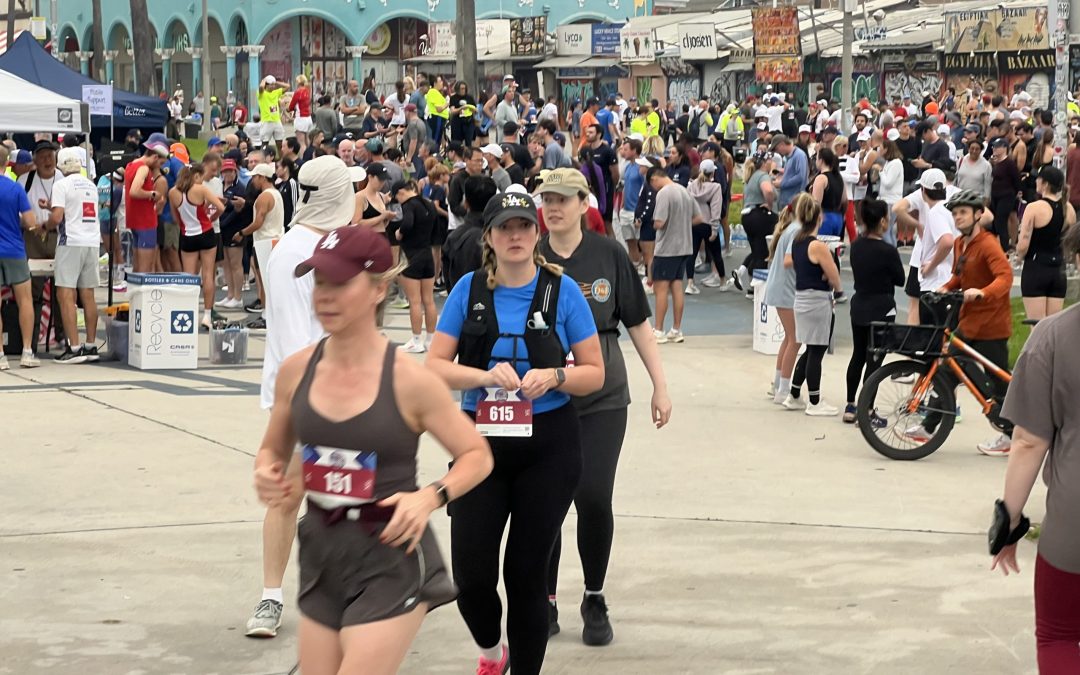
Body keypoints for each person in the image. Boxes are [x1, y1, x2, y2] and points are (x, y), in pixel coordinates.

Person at [253, 223, 493, 673]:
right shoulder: (295, 371)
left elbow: (477, 455)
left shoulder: (410, 380)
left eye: (340, 283)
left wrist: (429, 497)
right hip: (323, 555)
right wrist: (267, 473)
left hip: (390, 556)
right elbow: (272, 452)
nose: (324, 296)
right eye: (319, 282)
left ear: (379, 290)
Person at [426, 191, 604, 675]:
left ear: (537, 232)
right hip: (478, 445)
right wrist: (484, 376)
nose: (515, 235)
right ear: (488, 237)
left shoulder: (561, 291)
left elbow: (595, 372)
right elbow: (435, 366)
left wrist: (556, 376)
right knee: (471, 577)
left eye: (524, 225)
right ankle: (492, 650)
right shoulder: (468, 290)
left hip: (548, 445)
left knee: (525, 573)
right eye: (505, 227)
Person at [536, 167, 671, 645]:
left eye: (563, 199)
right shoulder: (530, 255)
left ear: (583, 204)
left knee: (593, 495)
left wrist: (659, 385)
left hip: (603, 397)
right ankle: (544, 598)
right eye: (548, 200)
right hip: (544, 399)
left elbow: (637, 324)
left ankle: (594, 596)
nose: (554, 208)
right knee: (545, 501)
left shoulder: (609, 254)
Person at [246, 156, 356, 638]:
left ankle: (344, 593)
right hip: (304, 396)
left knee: (343, 498)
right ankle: (271, 597)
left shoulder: (326, 244)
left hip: (339, 389)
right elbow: (295, 340)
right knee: (289, 495)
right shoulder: (296, 252)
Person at [990, 220, 1080, 673]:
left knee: (1060, 635)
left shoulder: (1053, 337)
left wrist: (1008, 523)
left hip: (1073, 526)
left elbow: (1027, 442)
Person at [908, 189, 1013, 455]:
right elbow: (959, 276)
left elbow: (1005, 277)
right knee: (946, 371)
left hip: (991, 325)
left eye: (964, 212)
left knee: (998, 382)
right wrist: (945, 287)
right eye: (955, 213)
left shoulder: (988, 244)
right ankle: (929, 427)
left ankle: (1011, 434)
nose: (958, 217)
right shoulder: (959, 243)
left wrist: (983, 292)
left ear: (978, 215)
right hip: (968, 322)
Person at [777, 194, 843, 416]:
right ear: (819, 218)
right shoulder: (817, 246)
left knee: (809, 348)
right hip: (817, 300)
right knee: (817, 351)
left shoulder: (797, 241)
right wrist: (838, 288)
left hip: (801, 298)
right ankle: (814, 401)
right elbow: (833, 274)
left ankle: (794, 394)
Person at [842, 198, 905, 423]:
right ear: (882, 221)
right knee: (875, 360)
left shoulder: (856, 246)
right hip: (881, 308)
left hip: (860, 304)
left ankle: (850, 404)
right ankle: (867, 409)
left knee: (857, 355)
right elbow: (900, 279)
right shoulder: (888, 251)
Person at [46, 148, 101, 363]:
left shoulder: (61, 185)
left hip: (70, 242)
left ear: (60, 166)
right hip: (92, 242)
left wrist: (45, 225)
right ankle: (91, 345)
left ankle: (74, 347)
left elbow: (57, 217)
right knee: (88, 295)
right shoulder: (91, 185)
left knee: (65, 294)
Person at [763, 194, 811, 403]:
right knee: (795, 339)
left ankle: (778, 385)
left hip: (781, 287)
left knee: (790, 338)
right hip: (786, 289)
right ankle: (783, 389)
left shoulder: (791, 228)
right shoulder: (798, 231)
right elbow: (789, 260)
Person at [647, 165, 702, 344]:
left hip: (667, 248)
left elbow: (660, 222)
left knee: (661, 288)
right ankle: (676, 329)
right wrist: (682, 223)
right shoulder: (684, 191)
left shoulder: (664, 193)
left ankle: (659, 329)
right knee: (677, 286)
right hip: (684, 246)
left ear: (654, 179)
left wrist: (654, 224)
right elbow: (699, 217)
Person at [169, 163, 225, 330]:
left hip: (187, 235)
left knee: (189, 277)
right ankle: (207, 315)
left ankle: (188, 312)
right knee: (208, 274)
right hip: (206, 232)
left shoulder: (173, 192)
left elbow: (175, 217)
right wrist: (211, 218)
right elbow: (221, 207)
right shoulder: (201, 189)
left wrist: (185, 223)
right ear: (196, 176)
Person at [1015, 166, 1074, 322]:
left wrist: (1019, 257)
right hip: (1058, 270)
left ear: (1045, 184)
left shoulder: (1034, 208)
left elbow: (1023, 244)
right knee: (1053, 327)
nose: (1036, 182)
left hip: (1036, 268)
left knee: (1037, 327)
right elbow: (1070, 243)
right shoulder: (1069, 209)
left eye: (1038, 179)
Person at [392, 179, 438, 353]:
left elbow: (408, 223)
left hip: (413, 256)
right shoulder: (429, 204)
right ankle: (430, 340)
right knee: (429, 300)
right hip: (427, 254)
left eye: (397, 198)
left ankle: (416, 340)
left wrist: (399, 233)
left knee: (415, 301)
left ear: (401, 192)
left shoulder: (409, 205)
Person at [236, 164, 285, 330]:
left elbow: (258, 222)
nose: (252, 181)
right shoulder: (276, 194)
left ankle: (266, 315)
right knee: (270, 280)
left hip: (265, 241)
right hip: (276, 238)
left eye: (255, 177)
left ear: (262, 177)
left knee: (264, 280)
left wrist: (242, 233)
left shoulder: (264, 197)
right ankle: (270, 314)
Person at [442, 175, 497, 291]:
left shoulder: (453, 238)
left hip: (460, 297)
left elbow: (448, 281)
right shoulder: (500, 236)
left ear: (465, 202)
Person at [124, 134, 169, 273]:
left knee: (137, 267)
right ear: (155, 157)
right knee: (146, 269)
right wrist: (152, 194)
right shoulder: (143, 168)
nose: (160, 167)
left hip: (134, 220)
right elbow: (134, 191)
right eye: (160, 163)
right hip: (145, 222)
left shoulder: (131, 165)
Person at [687, 159, 729, 293]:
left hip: (694, 222)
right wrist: (715, 229)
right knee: (716, 253)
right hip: (708, 223)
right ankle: (722, 280)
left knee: (692, 254)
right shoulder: (715, 187)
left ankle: (690, 282)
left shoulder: (691, 186)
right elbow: (716, 209)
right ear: (713, 173)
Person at [989, 136, 1020, 252]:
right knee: (995, 222)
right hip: (995, 196)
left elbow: (1016, 179)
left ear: (1004, 148)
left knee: (1001, 221)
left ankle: (1004, 247)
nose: (994, 149)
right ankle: (997, 245)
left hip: (1006, 196)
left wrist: (1017, 193)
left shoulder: (1009, 163)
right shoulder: (996, 163)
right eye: (993, 147)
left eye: (997, 147)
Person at [809, 147, 846, 237]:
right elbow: (845, 200)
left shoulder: (821, 178)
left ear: (821, 161)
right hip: (838, 217)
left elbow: (816, 203)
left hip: (825, 218)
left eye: (817, 159)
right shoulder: (839, 177)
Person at [772, 135, 808, 210]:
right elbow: (792, 173)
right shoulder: (789, 156)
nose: (777, 152)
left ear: (782, 144)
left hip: (794, 203)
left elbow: (800, 176)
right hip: (787, 202)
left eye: (776, 149)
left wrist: (781, 184)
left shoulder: (799, 155)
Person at [258, 76, 290, 151]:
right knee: (265, 143)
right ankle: (263, 156)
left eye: (274, 85)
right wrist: (263, 80)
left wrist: (276, 82)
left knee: (279, 143)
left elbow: (287, 86)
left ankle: (280, 157)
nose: (273, 86)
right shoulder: (261, 94)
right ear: (266, 85)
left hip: (276, 121)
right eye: (271, 85)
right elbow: (261, 88)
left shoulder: (276, 92)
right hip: (266, 121)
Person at [450, 81, 477, 147]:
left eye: (464, 88)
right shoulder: (453, 98)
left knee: (469, 142)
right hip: (457, 122)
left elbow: (475, 110)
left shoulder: (469, 97)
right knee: (457, 142)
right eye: (461, 89)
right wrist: (461, 108)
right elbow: (452, 111)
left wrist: (472, 109)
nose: (463, 90)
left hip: (468, 121)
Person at [289, 75, 313, 148]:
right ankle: (310, 153)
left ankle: (303, 155)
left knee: (301, 142)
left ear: (298, 82)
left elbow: (291, 106)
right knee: (307, 140)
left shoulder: (298, 92)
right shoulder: (307, 91)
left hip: (301, 118)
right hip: (308, 117)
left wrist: (287, 109)